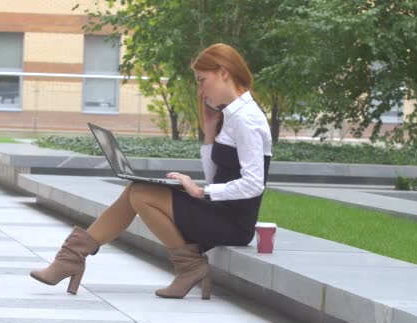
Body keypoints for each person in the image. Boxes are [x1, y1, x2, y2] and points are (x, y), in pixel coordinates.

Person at [29, 43, 272, 300]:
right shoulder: (232, 116)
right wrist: (210, 132)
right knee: (138, 189)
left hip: (232, 223)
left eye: (202, 81)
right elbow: (219, 176)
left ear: (224, 72)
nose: (200, 92)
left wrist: (201, 191)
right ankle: (71, 258)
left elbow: (254, 184)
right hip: (219, 211)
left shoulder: (247, 118)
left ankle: (189, 268)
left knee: (142, 193)